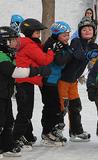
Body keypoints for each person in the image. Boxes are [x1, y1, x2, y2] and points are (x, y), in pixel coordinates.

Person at [0, 26, 51, 158]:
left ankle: (6, 146)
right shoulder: (1, 57)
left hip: (4, 94)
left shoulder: (8, 55)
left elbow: (17, 71)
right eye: (11, 41)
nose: (15, 43)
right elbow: (15, 72)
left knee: (8, 121)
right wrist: (37, 71)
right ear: (3, 42)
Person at [12, 18, 55, 150]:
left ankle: (25, 135)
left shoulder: (26, 43)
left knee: (24, 110)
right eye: (37, 32)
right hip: (25, 81)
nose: (39, 35)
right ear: (30, 32)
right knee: (25, 112)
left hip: (23, 80)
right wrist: (50, 51)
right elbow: (44, 60)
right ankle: (16, 138)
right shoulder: (30, 45)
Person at [58, 16, 98, 142]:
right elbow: (78, 55)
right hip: (63, 80)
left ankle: (76, 131)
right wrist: (88, 55)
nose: (87, 31)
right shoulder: (76, 41)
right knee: (62, 107)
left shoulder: (92, 45)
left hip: (73, 81)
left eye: (90, 29)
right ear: (80, 32)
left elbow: (96, 56)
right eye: (84, 29)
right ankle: (55, 131)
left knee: (76, 106)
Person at [40, 21, 73, 146]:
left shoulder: (59, 43)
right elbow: (59, 61)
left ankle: (52, 130)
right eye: (64, 35)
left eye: (68, 34)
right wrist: (70, 53)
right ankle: (47, 132)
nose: (67, 37)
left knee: (55, 106)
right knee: (50, 106)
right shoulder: (52, 44)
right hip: (48, 80)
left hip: (55, 79)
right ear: (57, 34)